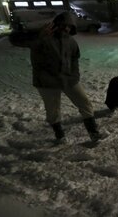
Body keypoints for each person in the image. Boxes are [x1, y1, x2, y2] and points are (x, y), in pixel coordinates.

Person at [31, 12, 108, 144]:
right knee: (53, 110)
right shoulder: (44, 39)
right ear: (57, 25)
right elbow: (35, 60)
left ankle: (94, 133)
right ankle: (59, 136)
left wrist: (74, 75)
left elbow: (74, 59)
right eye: (64, 25)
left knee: (85, 103)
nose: (66, 29)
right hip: (47, 82)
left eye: (69, 27)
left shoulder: (70, 41)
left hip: (68, 79)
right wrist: (39, 38)